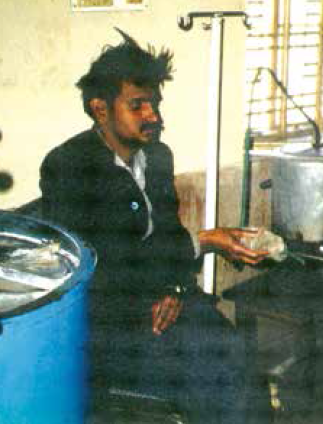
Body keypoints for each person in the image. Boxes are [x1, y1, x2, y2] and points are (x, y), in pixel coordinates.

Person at [39, 29, 269, 424]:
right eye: (138, 105)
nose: (154, 116)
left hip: (169, 299)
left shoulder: (158, 157)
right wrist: (203, 244)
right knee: (206, 371)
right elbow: (93, 266)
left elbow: (169, 240)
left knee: (237, 354)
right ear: (100, 109)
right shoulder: (69, 166)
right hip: (111, 322)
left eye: (154, 104)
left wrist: (175, 288)